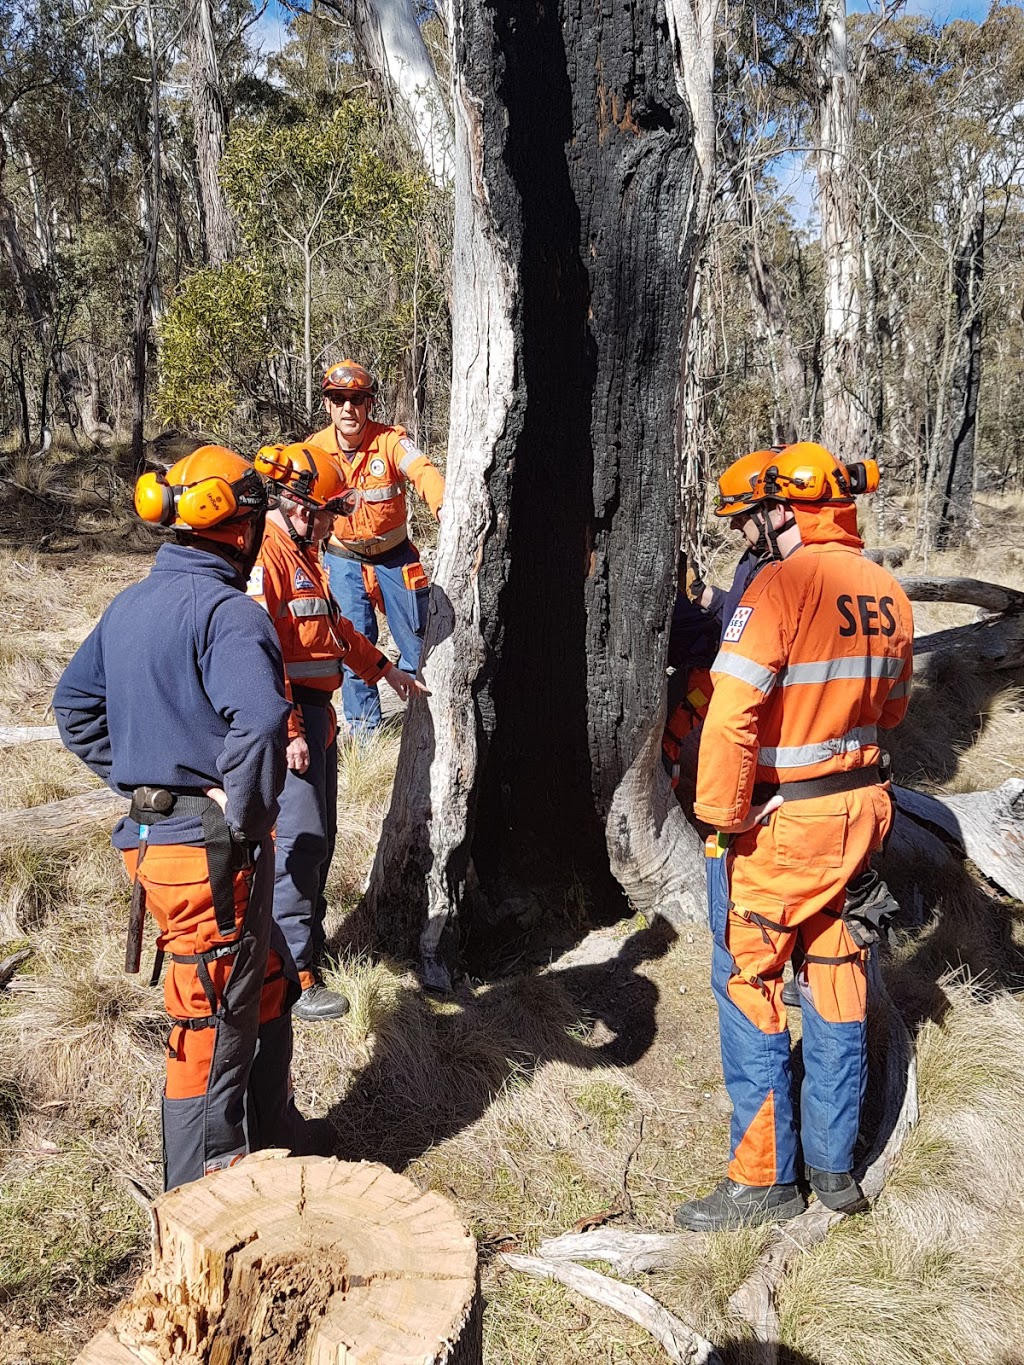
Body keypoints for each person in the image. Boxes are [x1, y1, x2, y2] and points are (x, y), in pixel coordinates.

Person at [53, 446, 308, 1191]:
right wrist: (238, 811)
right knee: (206, 1026)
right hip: (207, 855)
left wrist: (143, 785)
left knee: (265, 980)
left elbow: (74, 709)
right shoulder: (230, 611)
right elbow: (261, 719)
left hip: (164, 844)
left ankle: (279, 1135)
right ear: (236, 527)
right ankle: (203, 1199)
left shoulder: (128, 604)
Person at [673, 442, 914, 1232]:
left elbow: (731, 715)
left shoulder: (779, 587)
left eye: (756, 514)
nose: (749, 531)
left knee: (750, 986)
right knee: (839, 980)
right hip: (862, 817)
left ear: (787, 507)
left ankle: (764, 1180)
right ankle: (834, 1168)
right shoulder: (888, 593)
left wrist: (720, 818)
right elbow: (896, 711)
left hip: (781, 829)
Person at [250, 443, 428, 1021]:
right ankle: (294, 976)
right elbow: (261, 656)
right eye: (329, 514)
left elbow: (333, 630)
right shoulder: (269, 560)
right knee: (298, 846)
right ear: (302, 509)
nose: (333, 525)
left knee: (319, 836)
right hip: (291, 722)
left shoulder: (305, 557)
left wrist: (384, 670)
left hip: (317, 718)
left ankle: (309, 950)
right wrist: (293, 727)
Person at [306, 359, 445, 737]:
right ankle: (366, 733)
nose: (348, 408)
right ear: (328, 404)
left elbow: (422, 470)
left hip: (395, 557)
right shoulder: (313, 451)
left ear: (369, 404)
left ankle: (424, 724)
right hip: (343, 558)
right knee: (354, 643)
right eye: (339, 399)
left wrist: (444, 507)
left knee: (418, 641)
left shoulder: (390, 441)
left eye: (357, 399)